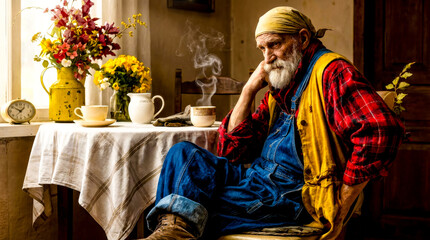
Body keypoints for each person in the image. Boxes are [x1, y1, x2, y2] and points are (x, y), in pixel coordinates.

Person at [143, 6, 404, 240]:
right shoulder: (283, 82)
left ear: (302, 38)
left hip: (290, 195)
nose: (267, 57)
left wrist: (342, 202)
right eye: (262, 49)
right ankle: (175, 230)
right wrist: (248, 90)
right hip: (257, 180)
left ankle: (173, 232)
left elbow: (381, 131)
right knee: (182, 155)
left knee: (187, 201)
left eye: (274, 45)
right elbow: (233, 151)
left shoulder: (332, 72)